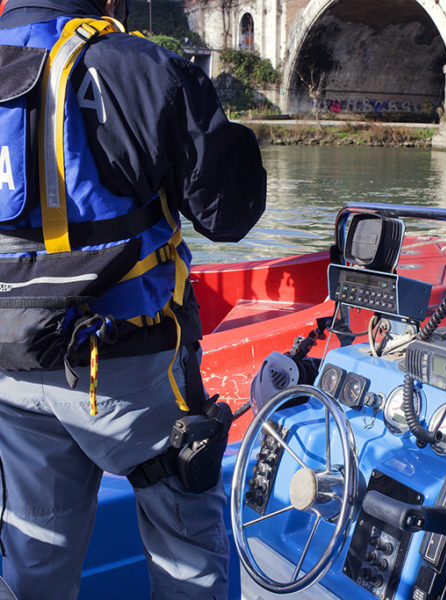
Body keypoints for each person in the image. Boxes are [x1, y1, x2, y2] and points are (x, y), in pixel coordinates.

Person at [0, 1, 266, 599]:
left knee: (33, 560)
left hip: (10, 363)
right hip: (127, 365)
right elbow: (230, 213)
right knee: (187, 550)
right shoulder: (137, 66)